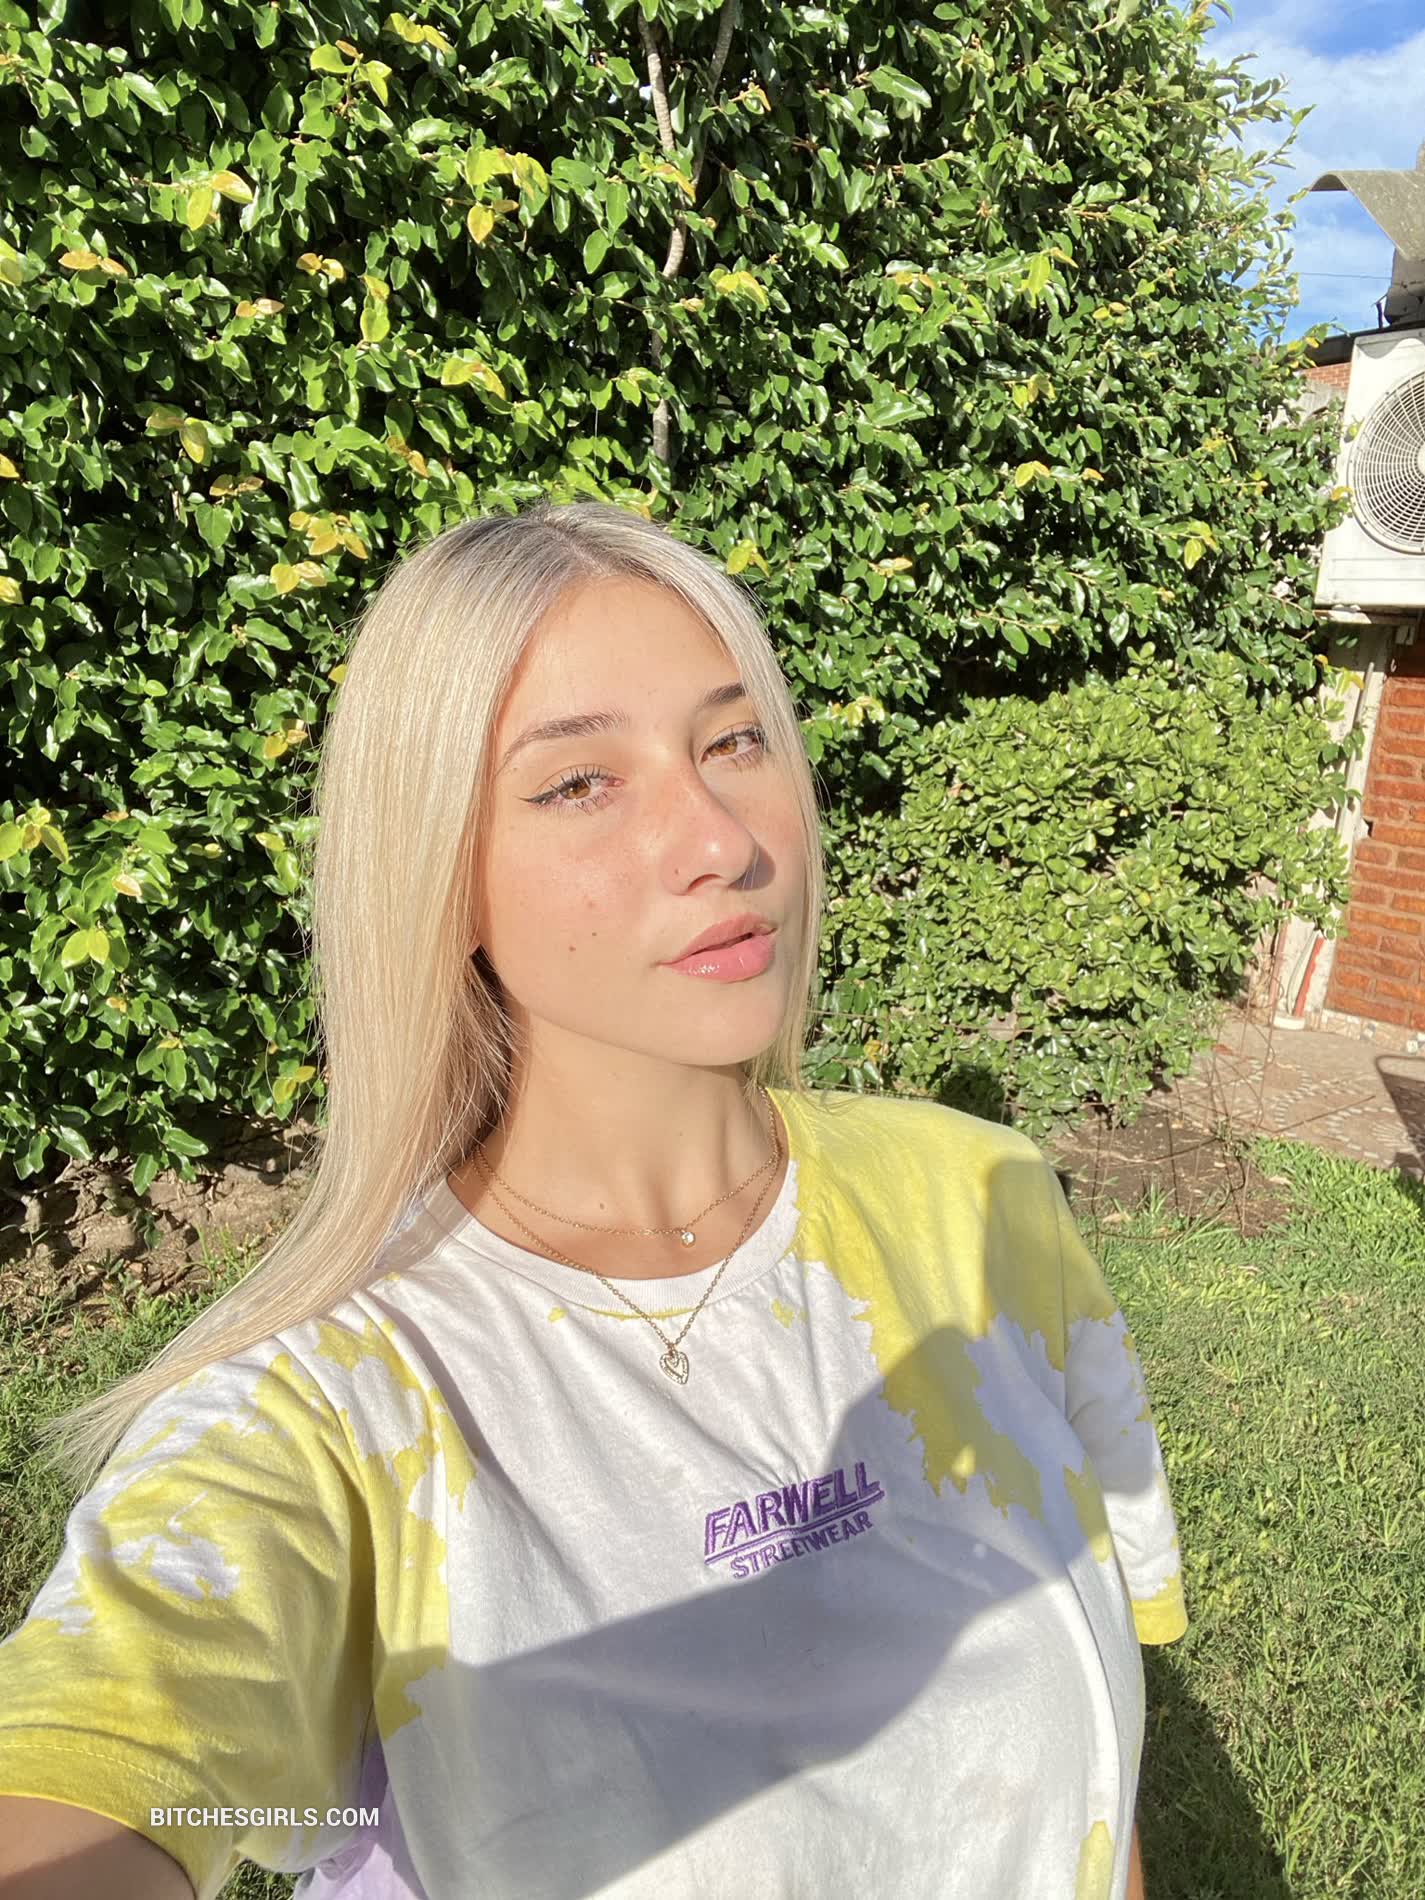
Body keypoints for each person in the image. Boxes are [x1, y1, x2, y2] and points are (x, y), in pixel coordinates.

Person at [0, 500, 1185, 1899]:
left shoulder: (981, 1193)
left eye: (732, 742)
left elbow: (1096, 1770)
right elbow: (101, 1760)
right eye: (578, 784)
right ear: (442, 876)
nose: (720, 840)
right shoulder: (325, 1410)